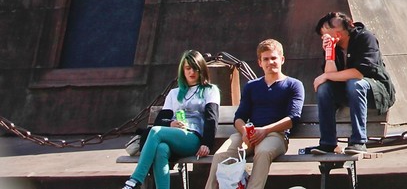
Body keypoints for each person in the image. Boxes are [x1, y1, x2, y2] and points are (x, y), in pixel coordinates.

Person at [206, 40, 304, 189]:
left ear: (282, 59)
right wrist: (244, 131)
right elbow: (239, 117)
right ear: (260, 62)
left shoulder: (293, 85)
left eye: (274, 58)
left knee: (263, 152)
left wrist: (264, 130)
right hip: (249, 134)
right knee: (221, 155)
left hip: (276, 135)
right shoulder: (252, 86)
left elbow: (293, 118)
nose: (270, 62)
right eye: (266, 59)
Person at [122, 51, 219, 189]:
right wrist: (171, 123)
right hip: (174, 136)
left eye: (195, 68)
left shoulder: (210, 90)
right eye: (188, 68)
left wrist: (207, 144)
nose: (192, 72)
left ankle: (135, 180)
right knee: (161, 149)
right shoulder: (174, 93)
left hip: (193, 138)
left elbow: (211, 118)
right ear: (182, 70)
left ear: (201, 69)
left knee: (155, 131)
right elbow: (160, 121)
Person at [311, 12, 397, 155]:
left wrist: (326, 75)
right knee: (324, 88)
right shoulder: (333, 46)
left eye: (331, 29)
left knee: (355, 83)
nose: (327, 36)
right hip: (348, 92)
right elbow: (331, 77)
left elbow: (358, 73)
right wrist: (329, 53)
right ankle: (328, 143)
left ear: (347, 27)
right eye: (324, 34)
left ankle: (359, 141)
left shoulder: (365, 38)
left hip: (376, 91)